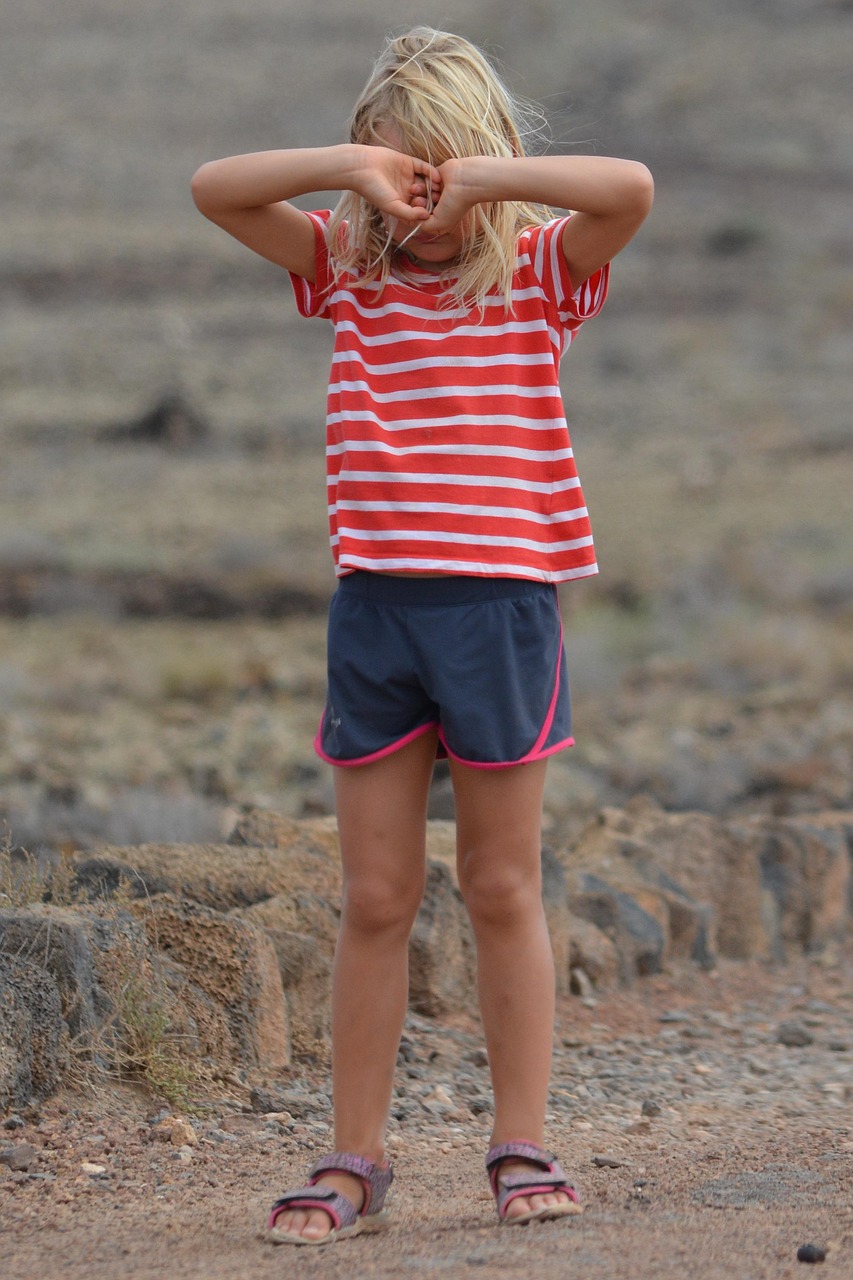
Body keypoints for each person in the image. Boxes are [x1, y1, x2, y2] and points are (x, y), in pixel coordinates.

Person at [191, 26, 653, 1246]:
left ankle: (520, 1141)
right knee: (375, 896)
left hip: (502, 609)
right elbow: (215, 189)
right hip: (378, 609)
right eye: (409, 176)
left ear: (490, 167)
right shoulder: (347, 267)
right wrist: (354, 169)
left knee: (501, 883)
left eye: (445, 174)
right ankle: (354, 1156)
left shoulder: (542, 269)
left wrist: (491, 178)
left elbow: (632, 191)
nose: (426, 203)